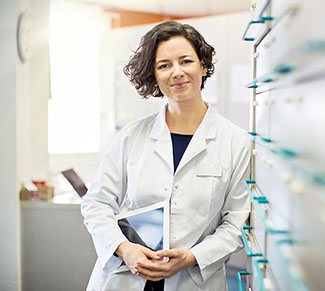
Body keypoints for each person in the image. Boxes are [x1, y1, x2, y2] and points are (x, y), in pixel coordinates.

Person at [81, 20, 251, 291]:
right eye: (164, 65)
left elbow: (236, 223)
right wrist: (124, 249)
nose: (177, 72)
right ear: (154, 76)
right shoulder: (132, 136)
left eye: (186, 61)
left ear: (203, 66)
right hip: (126, 276)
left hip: (192, 280)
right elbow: (96, 203)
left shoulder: (236, 142)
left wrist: (192, 257)